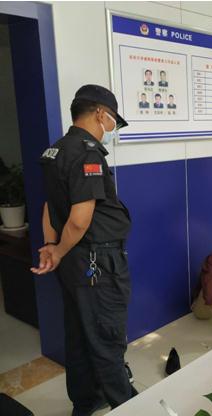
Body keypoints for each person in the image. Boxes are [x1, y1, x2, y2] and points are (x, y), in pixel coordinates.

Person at [31, 85, 136, 415]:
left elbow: (49, 206)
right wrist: (58, 251)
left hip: (75, 261)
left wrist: (52, 246)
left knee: (78, 335)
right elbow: (78, 220)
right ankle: (127, 406)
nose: (112, 128)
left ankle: (86, 402)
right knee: (107, 339)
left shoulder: (56, 150)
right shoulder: (88, 154)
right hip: (97, 261)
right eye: (113, 120)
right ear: (101, 114)